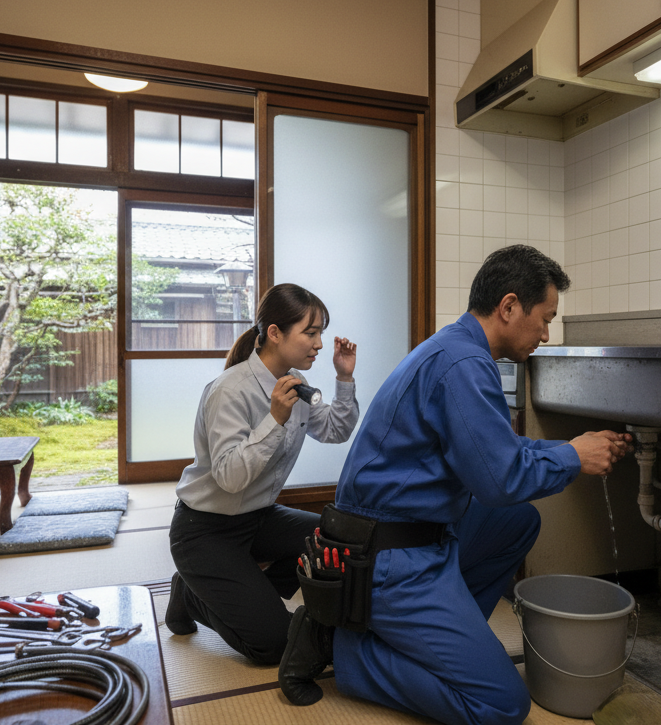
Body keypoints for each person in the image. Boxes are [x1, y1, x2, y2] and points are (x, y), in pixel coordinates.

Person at [278, 245, 632, 724]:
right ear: (508, 307)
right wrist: (573, 456)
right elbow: (500, 478)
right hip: (388, 559)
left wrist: (574, 448)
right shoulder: (465, 365)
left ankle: (444, 638)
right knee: (502, 704)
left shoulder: (455, 348)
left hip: (406, 536)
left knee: (517, 521)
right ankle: (341, 646)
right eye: (545, 319)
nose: (546, 335)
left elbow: (498, 457)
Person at [165, 283, 360, 665]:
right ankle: (190, 595)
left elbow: (336, 430)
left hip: (257, 519)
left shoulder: (297, 386)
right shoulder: (229, 390)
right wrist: (274, 419)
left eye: (320, 332)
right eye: (310, 332)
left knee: (335, 542)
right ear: (274, 333)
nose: (319, 343)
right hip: (204, 530)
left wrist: (344, 378)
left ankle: (243, 596)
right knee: (274, 645)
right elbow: (229, 478)